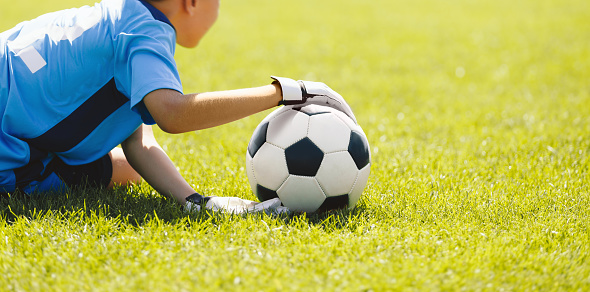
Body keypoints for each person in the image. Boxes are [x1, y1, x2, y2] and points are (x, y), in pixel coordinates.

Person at [0, 0, 355, 214]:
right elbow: (172, 113)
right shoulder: (145, 34)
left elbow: (139, 143)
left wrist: (196, 200)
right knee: (87, 174)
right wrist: (283, 92)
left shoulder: (124, 15)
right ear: (192, 2)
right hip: (8, 145)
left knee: (127, 170)